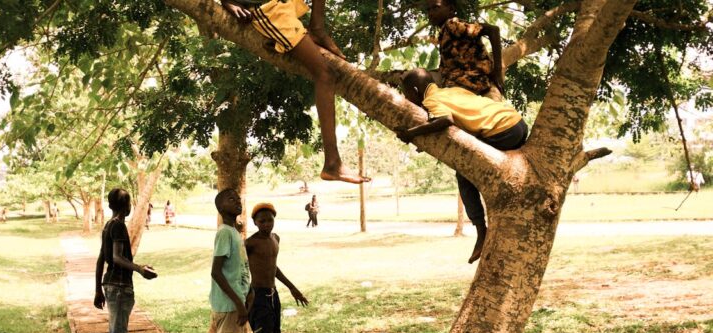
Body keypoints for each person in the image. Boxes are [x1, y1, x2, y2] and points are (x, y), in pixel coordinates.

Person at [220, 0, 370, 184]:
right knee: (326, 75)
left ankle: (317, 28)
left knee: (327, 74)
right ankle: (332, 163)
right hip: (269, 11)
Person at [399, 68, 528, 264]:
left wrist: (412, 133)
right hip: (517, 123)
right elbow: (462, 125)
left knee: (464, 173)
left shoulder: (431, 100)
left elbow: (445, 120)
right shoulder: (452, 91)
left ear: (416, 90)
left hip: (501, 131)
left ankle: (481, 230)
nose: (406, 98)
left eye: (406, 93)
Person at [93, 188, 158, 333]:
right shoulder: (119, 226)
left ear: (110, 205)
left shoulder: (107, 226)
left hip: (109, 285)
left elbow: (101, 259)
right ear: (127, 206)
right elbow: (117, 257)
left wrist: (97, 289)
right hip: (120, 288)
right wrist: (139, 269)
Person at [245, 203, 308, 333]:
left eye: (269, 220)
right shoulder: (250, 243)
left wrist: (292, 288)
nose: (266, 224)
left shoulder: (275, 239)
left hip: (273, 295)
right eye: (261, 221)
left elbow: (273, 267)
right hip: (257, 296)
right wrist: (245, 298)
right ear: (255, 222)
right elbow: (239, 270)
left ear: (274, 220)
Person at [209, 189, 252, 333]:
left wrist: (247, 297)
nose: (236, 201)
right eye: (230, 199)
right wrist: (239, 303)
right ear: (220, 207)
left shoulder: (235, 232)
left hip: (236, 305)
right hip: (229, 306)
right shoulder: (225, 232)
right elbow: (216, 272)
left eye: (238, 198)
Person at [426, 0, 504, 96]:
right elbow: (446, 68)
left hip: (470, 82)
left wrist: (498, 71)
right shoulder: (444, 33)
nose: (430, 13)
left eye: (436, 8)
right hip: (459, 83)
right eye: (428, 10)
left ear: (451, 9)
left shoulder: (452, 24)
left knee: (416, 79)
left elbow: (493, 30)